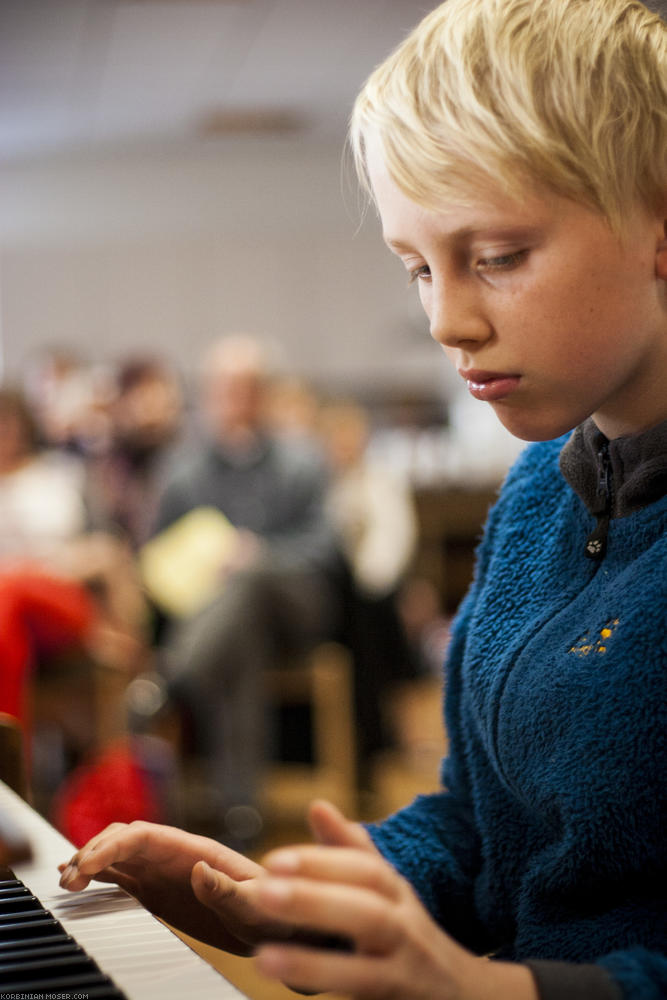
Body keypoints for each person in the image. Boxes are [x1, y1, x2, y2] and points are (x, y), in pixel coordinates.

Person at [58, 1, 667, 997]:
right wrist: (292, 898)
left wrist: (498, 991)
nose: (444, 319)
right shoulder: (534, 493)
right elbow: (478, 826)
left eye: (498, 257)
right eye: (417, 267)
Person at [144, 334, 341, 844]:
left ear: (266, 394)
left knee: (250, 578)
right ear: (208, 394)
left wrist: (260, 553)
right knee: (239, 639)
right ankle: (241, 814)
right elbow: (156, 556)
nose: (236, 399)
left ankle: (171, 679)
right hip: (225, 621)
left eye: (247, 388)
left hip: (297, 604)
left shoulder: (302, 459)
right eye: (225, 388)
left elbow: (327, 548)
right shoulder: (182, 469)